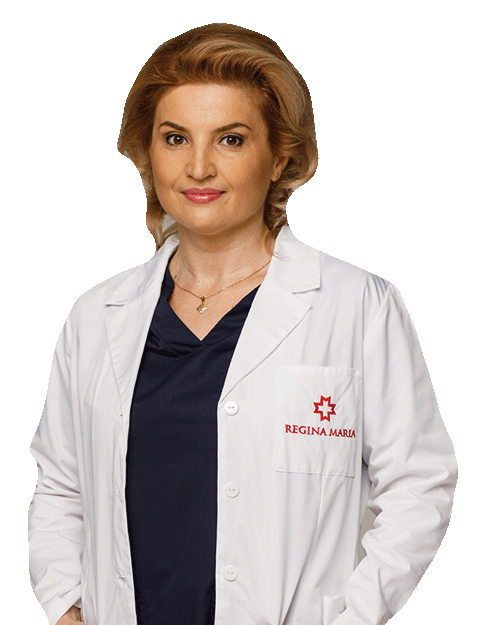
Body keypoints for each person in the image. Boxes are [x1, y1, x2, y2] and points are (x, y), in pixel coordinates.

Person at [28, 23, 457, 625]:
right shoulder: (97, 315)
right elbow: (61, 484)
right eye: (175, 138)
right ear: (147, 151)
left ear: (279, 155)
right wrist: (67, 608)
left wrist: (355, 619)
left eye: (230, 139)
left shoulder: (359, 306)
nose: (198, 166)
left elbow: (418, 484)